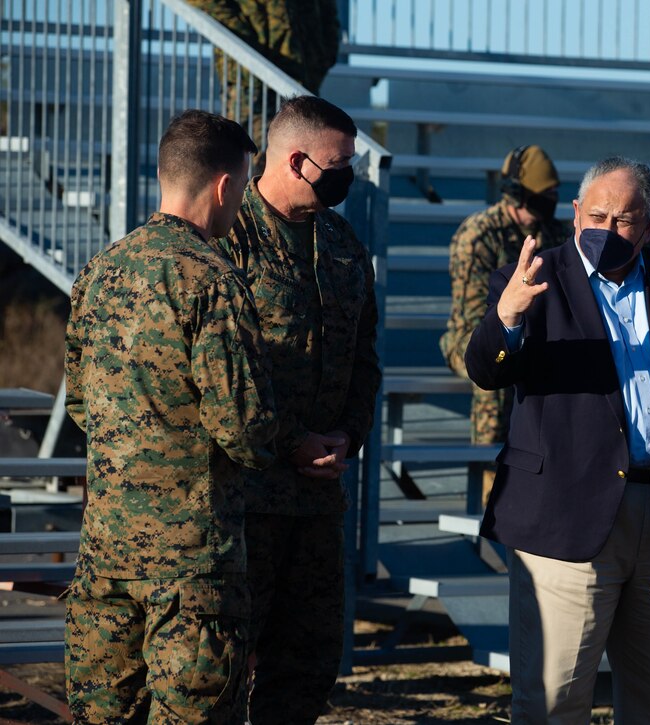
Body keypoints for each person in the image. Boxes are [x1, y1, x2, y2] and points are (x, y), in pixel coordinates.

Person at [464, 156, 650, 723]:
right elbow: (486, 368)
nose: (607, 229)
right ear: (575, 213)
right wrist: (507, 316)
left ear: (649, 227)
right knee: (555, 700)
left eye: (624, 220)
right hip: (565, 515)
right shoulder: (531, 277)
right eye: (596, 214)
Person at [64, 110, 276, 722]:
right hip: (191, 572)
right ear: (225, 185)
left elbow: (81, 402)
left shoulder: (100, 272)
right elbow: (245, 428)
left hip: (105, 556)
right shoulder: (214, 281)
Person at [215, 95, 381, 723]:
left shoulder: (342, 247)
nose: (349, 176)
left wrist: (347, 436)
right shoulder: (226, 239)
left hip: (316, 502)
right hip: (242, 500)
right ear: (296, 159)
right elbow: (225, 374)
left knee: (307, 665)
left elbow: (366, 358)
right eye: (340, 164)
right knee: (223, 669)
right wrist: (289, 441)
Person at [439, 145, 567, 504]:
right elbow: (471, 320)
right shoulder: (480, 235)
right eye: (545, 195)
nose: (552, 201)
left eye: (555, 194)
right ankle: (490, 480)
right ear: (519, 193)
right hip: (473, 338)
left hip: (534, 337)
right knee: (495, 369)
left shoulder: (554, 233)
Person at [190, 0, 341, 154]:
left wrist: (325, 53)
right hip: (251, 80)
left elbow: (327, 11)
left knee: (301, 157)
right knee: (248, 155)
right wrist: (242, 37)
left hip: (300, 76)